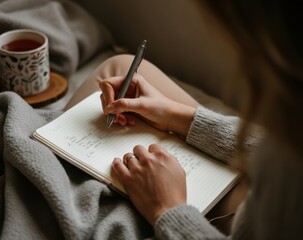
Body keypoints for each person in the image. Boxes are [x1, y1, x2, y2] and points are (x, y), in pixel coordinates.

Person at [66, 0, 303, 239]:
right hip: (257, 197)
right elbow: (273, 143)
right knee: (121, 67)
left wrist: (166, 209)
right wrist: (175, 117)